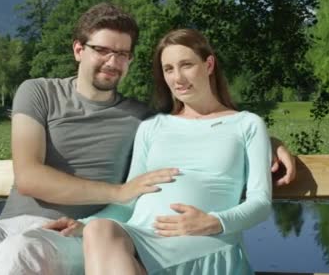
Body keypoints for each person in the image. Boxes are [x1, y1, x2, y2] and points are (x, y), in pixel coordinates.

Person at [0, 3, 294, 274]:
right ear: (78, 49)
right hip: (20, 224)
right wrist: (119, 194)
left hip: (77, 237)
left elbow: (204, 127)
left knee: (20, 254)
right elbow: (31, 177)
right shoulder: (38, 92)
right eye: (102, 50)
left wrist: (267, 141)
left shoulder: (142, 118)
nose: (113, 61)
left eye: (123, 54)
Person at [47, 28, 272, 274]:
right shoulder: (152, 127)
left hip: (202, 241)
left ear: (208, 65)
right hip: (143, 237)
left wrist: (214, 222)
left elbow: (260, 202)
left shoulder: (246, 124)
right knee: (99, 229)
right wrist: (83, 224)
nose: (178, 78)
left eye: (186, 65)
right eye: (169, 69)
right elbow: (129, 201)